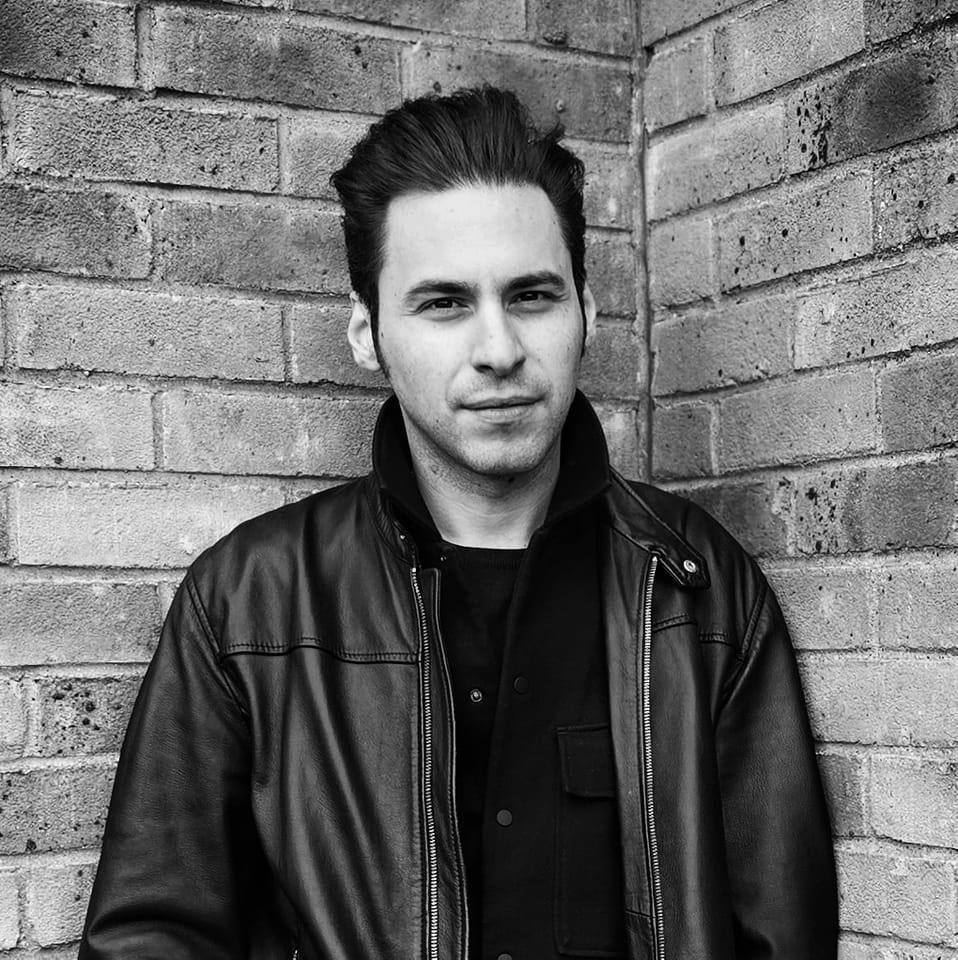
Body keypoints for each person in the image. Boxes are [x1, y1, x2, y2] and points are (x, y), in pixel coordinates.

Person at [79, 86, 838, 960]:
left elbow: (782, 934)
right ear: (366, 333)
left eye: (532, 296)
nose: (499, 350)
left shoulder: (700, 586)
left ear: (587, 312)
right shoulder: (250, 602)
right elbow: (153, 934)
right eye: (443, 303)